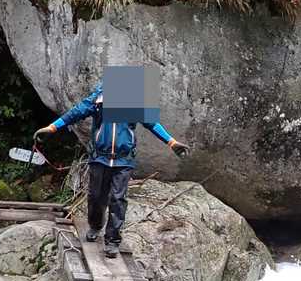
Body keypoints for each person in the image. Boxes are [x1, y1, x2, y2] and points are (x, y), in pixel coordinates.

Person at [38, 84, 190, 256]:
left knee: (118, 199)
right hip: (100, 157)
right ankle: (95, 225)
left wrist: (172, 142)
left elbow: (152, 124)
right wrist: (52, 128)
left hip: (124, 160)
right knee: (96, 196)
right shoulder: (98, 100)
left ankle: (112, 240)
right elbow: (74, 113)